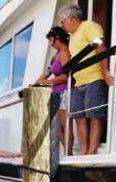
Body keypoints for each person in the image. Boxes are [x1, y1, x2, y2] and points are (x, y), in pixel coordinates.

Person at [58, 4, 114, 155]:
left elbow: (101, 47)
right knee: (79, 118)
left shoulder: (89, 26)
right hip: (78, 82)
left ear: (71, 19)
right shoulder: (72, 37)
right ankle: (84, 151)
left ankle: (92, 151)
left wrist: (106, 71)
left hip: (94, 78)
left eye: (62, 22)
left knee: (95, 116)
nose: (62, 26)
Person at [36, 26, 74, 155]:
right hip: (56, 93)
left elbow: (66, 75)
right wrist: (34, 85)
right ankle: (67, 151)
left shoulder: (64, 53)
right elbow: (46, 73)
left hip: (64, 91)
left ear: (57, 38)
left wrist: (49, 82)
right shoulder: (55, 56)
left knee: (65, 124)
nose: (50, 43)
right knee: (55, 125)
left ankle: (68, 153)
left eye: (50, 40)